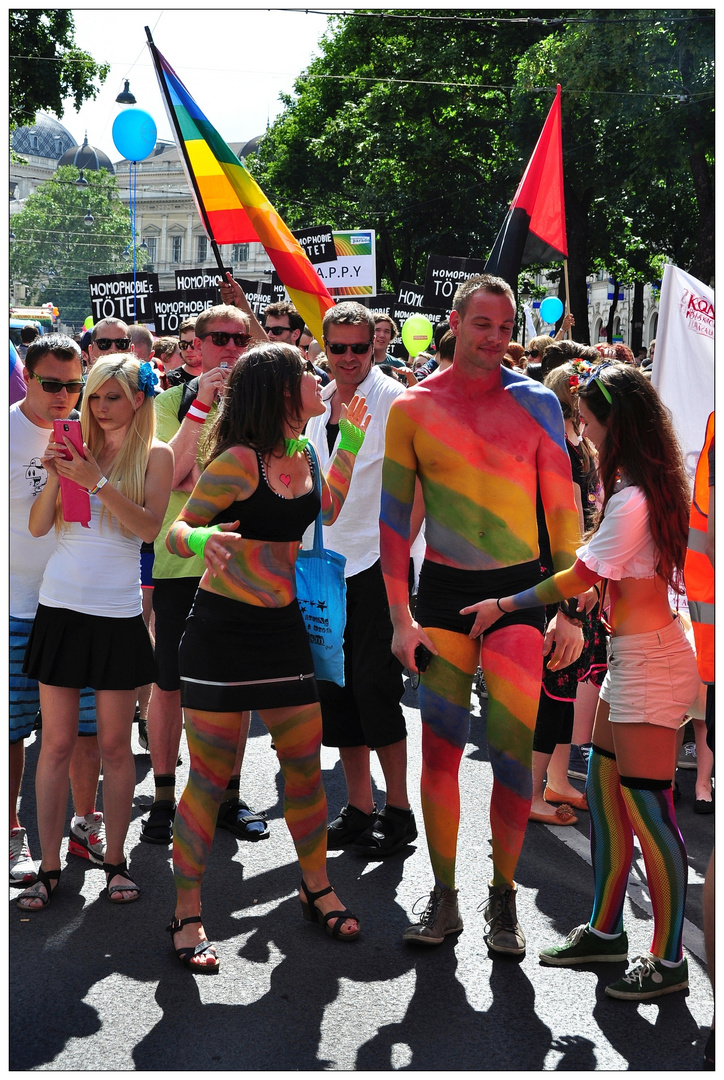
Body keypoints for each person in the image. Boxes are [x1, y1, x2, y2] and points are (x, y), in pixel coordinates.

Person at [465, 361, 700, 1001]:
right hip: (637, 656)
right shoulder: (642, 488)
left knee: (651, 814)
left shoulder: (633, 499)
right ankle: (605, 931)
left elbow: (580, 577)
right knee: (602, 787)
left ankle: (670, 957)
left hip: (649, 663)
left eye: (590, 423)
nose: (585, 433)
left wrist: (507, 605)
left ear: (615, 426)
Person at [380, 273, 582, 952]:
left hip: (523, 597)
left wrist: (570, 609)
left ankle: (504, 899)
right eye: (483, 324)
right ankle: (444, 897)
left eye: (505, 327)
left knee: (511, 758)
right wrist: (400, 617)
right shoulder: (412, 407)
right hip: (441, 597)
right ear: (456, 321)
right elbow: (393, 524)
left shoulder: (536, 405)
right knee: (438, 753)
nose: (495, 339)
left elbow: (563, 512)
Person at [163, 342, 370, 970]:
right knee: (208, 777)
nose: (318, 377)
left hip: (284, 633)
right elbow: (174, 531)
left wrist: (352, 442)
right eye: (305, 373)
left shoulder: (306, 452)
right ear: (283, 392)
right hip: (222, 633)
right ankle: (188, 913)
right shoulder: (235, 462)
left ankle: (316, 887)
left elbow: (324, 511)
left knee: (304, 768)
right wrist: (203, 537)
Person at [17, 355, 173, 910]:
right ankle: (49, 865)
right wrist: (60, 475)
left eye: (111, 396)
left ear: (137, 399)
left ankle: (115, 861)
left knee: (112, 746)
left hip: (116, 613)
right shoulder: (73, 449)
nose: (99, 406)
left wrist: (97, 481)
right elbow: (38, 526)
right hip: (59, 606)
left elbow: (151, 528)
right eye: (95, 396)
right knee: (54, 745)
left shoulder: (156, 455)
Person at [305, 302, 424, 858]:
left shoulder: (395, 401)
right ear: (324, 347)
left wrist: (402, 560)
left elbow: (417, 488)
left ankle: (398, 811)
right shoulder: (316, 406)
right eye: (339, 348)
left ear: (375, 346)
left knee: (376, 690)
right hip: (321, 567)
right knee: (336, 692)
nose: (349, 358)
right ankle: (358, 807)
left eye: (360, 347)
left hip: (376, 565)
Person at [143, 306, 265, 846]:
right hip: (179, 566)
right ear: (195, 345)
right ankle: (165, 800)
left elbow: (250, 482)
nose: (231, 348)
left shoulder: (262, 410)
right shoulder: (168, 403)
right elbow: (173, 480)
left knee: (234, 691)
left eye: (241, 338)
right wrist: (203, 404)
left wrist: (202, 477)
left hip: (243, 569)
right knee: (168, 685)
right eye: (220, 338)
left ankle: (227, 797)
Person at [10, 334, 104, 884]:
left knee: (85, 731)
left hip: (76, 605)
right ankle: (13, 832)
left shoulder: (93, 433)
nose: (65, 396)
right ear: (28, 376)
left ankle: (84, 822)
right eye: (52, 384)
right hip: (16, 606)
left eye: (75, 385)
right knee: (14, 731)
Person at [166, 319, 202, 387]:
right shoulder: (171, 380)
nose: (188, 349)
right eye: (183, 345)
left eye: (193, 344)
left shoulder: (217, 376)